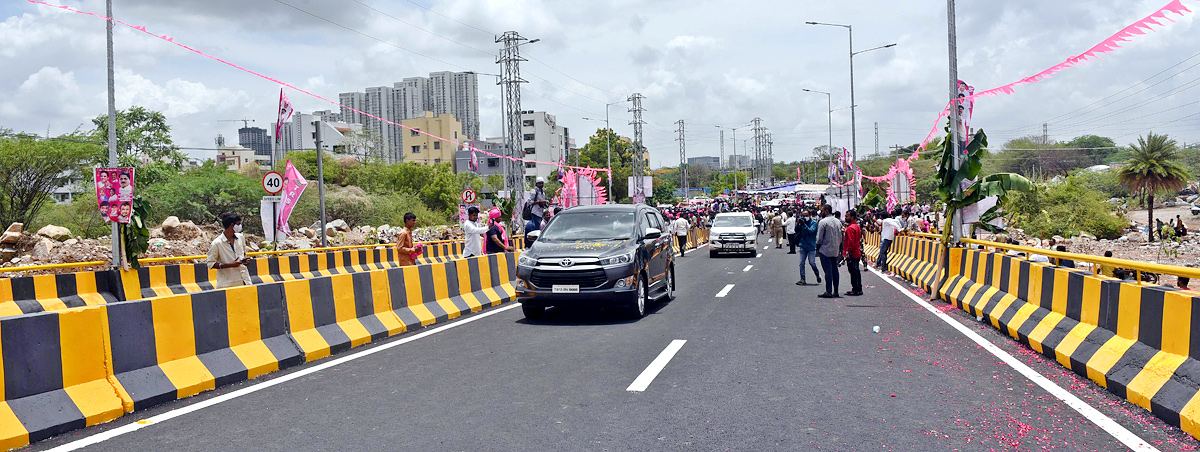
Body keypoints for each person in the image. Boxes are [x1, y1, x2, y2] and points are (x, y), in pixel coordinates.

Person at [206, 212, 252, 288]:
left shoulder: (240, 237)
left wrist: (246, 259)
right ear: (232, 225)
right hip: (228, 285)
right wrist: (230, 265)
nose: (240, 226)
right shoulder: (217, 243)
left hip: (245, 281)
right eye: (238, 224)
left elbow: (243, 253)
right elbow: (210, 263)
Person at [814, 205, 843, 299]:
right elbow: (841, 236)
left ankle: (828, 291)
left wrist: (817, 248)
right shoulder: (838, 221)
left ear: (826, 211)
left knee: (828, 271)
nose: (821, 212)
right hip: (835, 249)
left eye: (822, 211)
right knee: (835, 271)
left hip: (825, 250)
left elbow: (819, 238)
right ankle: (836, 291)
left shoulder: (823, 222)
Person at [796, 209, 821, 285]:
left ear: (810, 215)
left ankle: (817, 274)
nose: (804, 217)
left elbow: (810, 231)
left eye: (806, 216)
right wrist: (798, 224)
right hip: (803, 245)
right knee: (801, 263)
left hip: (811, 246)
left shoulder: (814, 223)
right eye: (803, 216)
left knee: (812, 262)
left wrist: (804, 225)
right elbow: (796, 230)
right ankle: (802, 279)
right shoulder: (801, 223)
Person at [843, 210, 863, 296]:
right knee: (856, 271)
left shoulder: (850, 228)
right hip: (856, 252)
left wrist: (847, 252)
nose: (845, 218)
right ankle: (858, 288)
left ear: (852, 217)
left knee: (853, 271)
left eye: (847, 216)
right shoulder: (856, 226)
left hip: (852, 253)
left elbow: (850, 242)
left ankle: (855, 289)